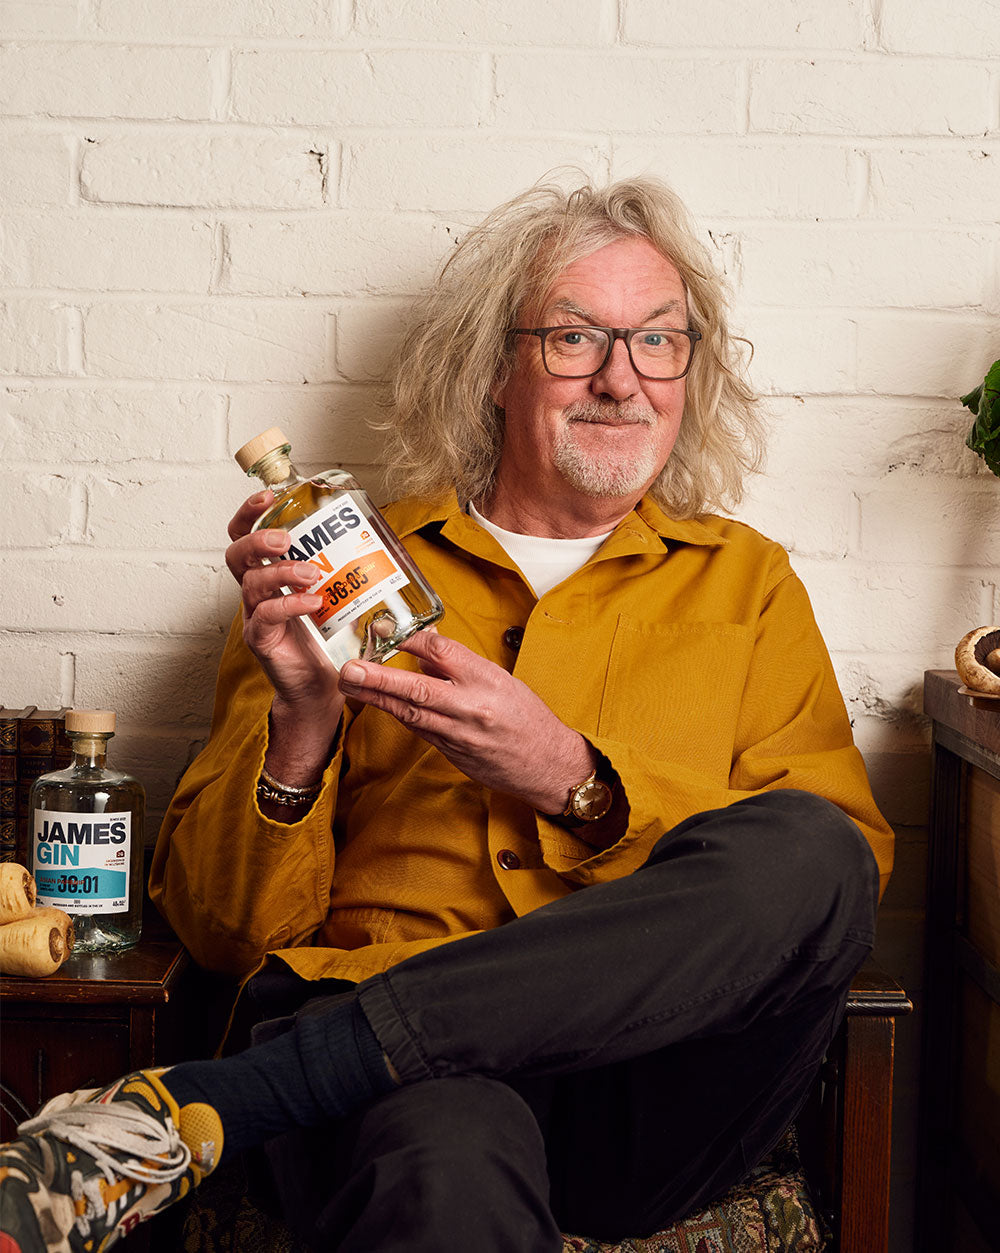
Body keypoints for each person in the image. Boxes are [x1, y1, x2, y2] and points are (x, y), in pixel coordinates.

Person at [0, 177, 893, 1253]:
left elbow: (833, 891)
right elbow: (229, 934)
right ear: (492, 368)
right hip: (412, 1100)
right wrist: (302, 726)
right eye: (575, 337)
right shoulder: (341, 573)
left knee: (814, 847)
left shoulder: (747, 585)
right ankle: (313, 1076)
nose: (622, 377)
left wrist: (579, 783)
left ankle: (223, 1100)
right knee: (447, 1163)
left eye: (659, 340)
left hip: (653, 1089)